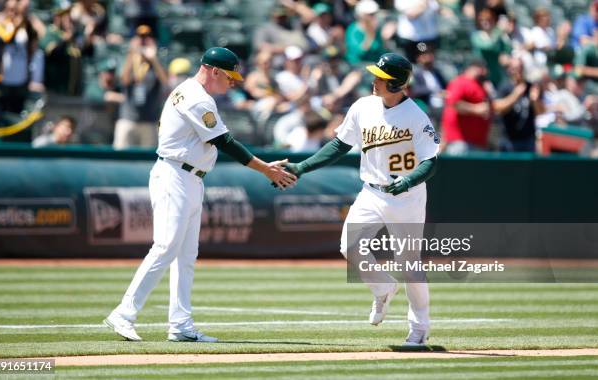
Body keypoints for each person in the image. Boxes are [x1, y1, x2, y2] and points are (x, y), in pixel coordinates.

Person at [104, 47, 296, 342]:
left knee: (186, 255)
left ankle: (180, 324)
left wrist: (264, 166)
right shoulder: (195, 97)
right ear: (214, 71)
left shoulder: (195, 93)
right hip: (174, 175)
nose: (232, 83)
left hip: (190, 178)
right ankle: (124, 312)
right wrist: (265, 170)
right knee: (166, 246)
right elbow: (225, 141)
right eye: (229, 77)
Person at [280, 53, 439, 346]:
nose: (373, 80)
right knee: (350, 246)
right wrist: (302, 167)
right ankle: (382, 288)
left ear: (394, 84)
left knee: (408, 262)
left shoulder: (416, 116)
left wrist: (408, 181)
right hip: (371, 190)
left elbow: (430, 162)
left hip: (407, 198)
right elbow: (339, 145)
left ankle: (419, 327)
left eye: (380, 77)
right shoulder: (363, 106)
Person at [112, 25, 167, 149]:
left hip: (149, 120)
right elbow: (124, 80)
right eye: (140, 37)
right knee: (120, 155)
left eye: (147, 37)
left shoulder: (157, 61)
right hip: (127, 118)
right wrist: (132, 54)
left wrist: (154, 59)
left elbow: (165, 81)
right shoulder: (129, 59)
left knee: (147, 160)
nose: (143, 40)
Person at [441, 60, 492, 154]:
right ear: (473, 68)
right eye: (482, 68)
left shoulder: (480, 85)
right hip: (461, 141)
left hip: (477, 142)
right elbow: (454, 104)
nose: (485, 72)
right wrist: (476, 109)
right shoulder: (461, 82)